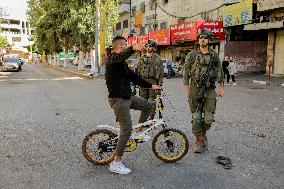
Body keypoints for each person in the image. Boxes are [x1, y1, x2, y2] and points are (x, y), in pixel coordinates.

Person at [105, 36, 161, 174]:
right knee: (126, 130)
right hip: (119, 101)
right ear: (119, 47)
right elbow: (122, 55)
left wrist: (151, 85)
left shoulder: (122, 63)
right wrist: (133, 48)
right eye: (125, 44)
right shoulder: (112, 59)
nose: (127, 46)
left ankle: (138, 133)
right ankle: (116, 163)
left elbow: (133, 77)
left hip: (127, 97)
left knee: (149, 106)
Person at [183, 29, 224, 153]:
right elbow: (186, 73)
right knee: (196, 117)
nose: (202, 40)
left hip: (210, 89)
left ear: (209, 40)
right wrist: (187, 90)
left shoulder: (214, 55)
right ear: (198, 40)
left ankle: (203, 133)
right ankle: (199, 140)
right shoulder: (192, 55)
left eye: (205, 38)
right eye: (200, 37)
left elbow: (219, 71)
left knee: (208, 118)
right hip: (195, 88)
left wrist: (222, 87)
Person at [138, 40, 164, 121]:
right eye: (147, 46)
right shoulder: (142, 58)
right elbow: (139, 70)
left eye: (150, 46)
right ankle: (144, 118)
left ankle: (151, 116)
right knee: (143, 100)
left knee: (151, 100)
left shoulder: (157, 58)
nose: (148, 47)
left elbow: (161, 72)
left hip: (153, 82)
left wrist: (159, 83)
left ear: (154, 48)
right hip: (143, 81)